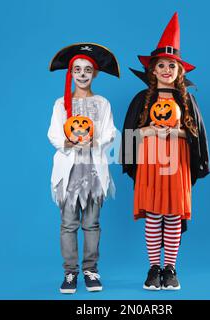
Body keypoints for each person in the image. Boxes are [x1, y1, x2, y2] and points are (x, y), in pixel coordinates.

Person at [121, 13, 210, 290]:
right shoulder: (141, 100)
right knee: (153, 215)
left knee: (172, 215)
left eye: (171, 65)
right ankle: (153, 268)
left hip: (177, 164)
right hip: (150, 164)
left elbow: (196, 136)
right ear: (153, 70)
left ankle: (170, 268)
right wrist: (145, 133)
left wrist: (176, 132)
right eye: (161, 65)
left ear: (179, 70)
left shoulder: (187, 100)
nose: (166, 70)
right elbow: (129, 136)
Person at [48, 43, 119, 293]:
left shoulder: (102, 103)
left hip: (93, 172)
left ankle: (91, 269)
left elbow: (110, 132)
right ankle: (70, 273)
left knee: (91, 223)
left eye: (87, 69)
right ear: (71, 73)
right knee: (68, 224)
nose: (82, 74)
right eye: (77, 69)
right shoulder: (61, 104)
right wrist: (69, 141)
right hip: (70, 172)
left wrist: (95, 140)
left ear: (95, 73)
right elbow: (54, 134)